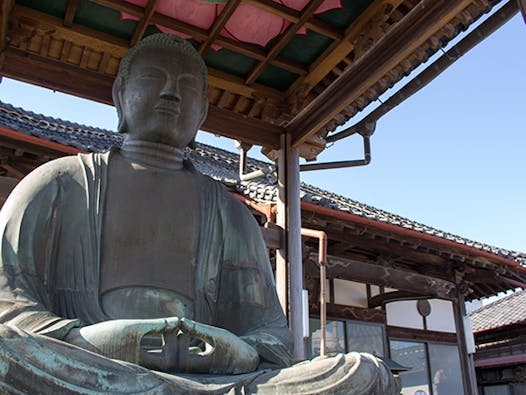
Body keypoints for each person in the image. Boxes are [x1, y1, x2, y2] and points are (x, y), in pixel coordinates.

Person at [0, 34, 399, 394]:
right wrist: (102, 341)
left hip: (216, 381)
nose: (172, 94)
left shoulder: (230, 212)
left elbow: (270, 333)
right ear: (120, 96)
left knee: (364, 373)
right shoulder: (58, 183)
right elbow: (9, 304)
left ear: (203, 113)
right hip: (87, 367)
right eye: (155, 78)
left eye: (187, 86)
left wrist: (229, 350)